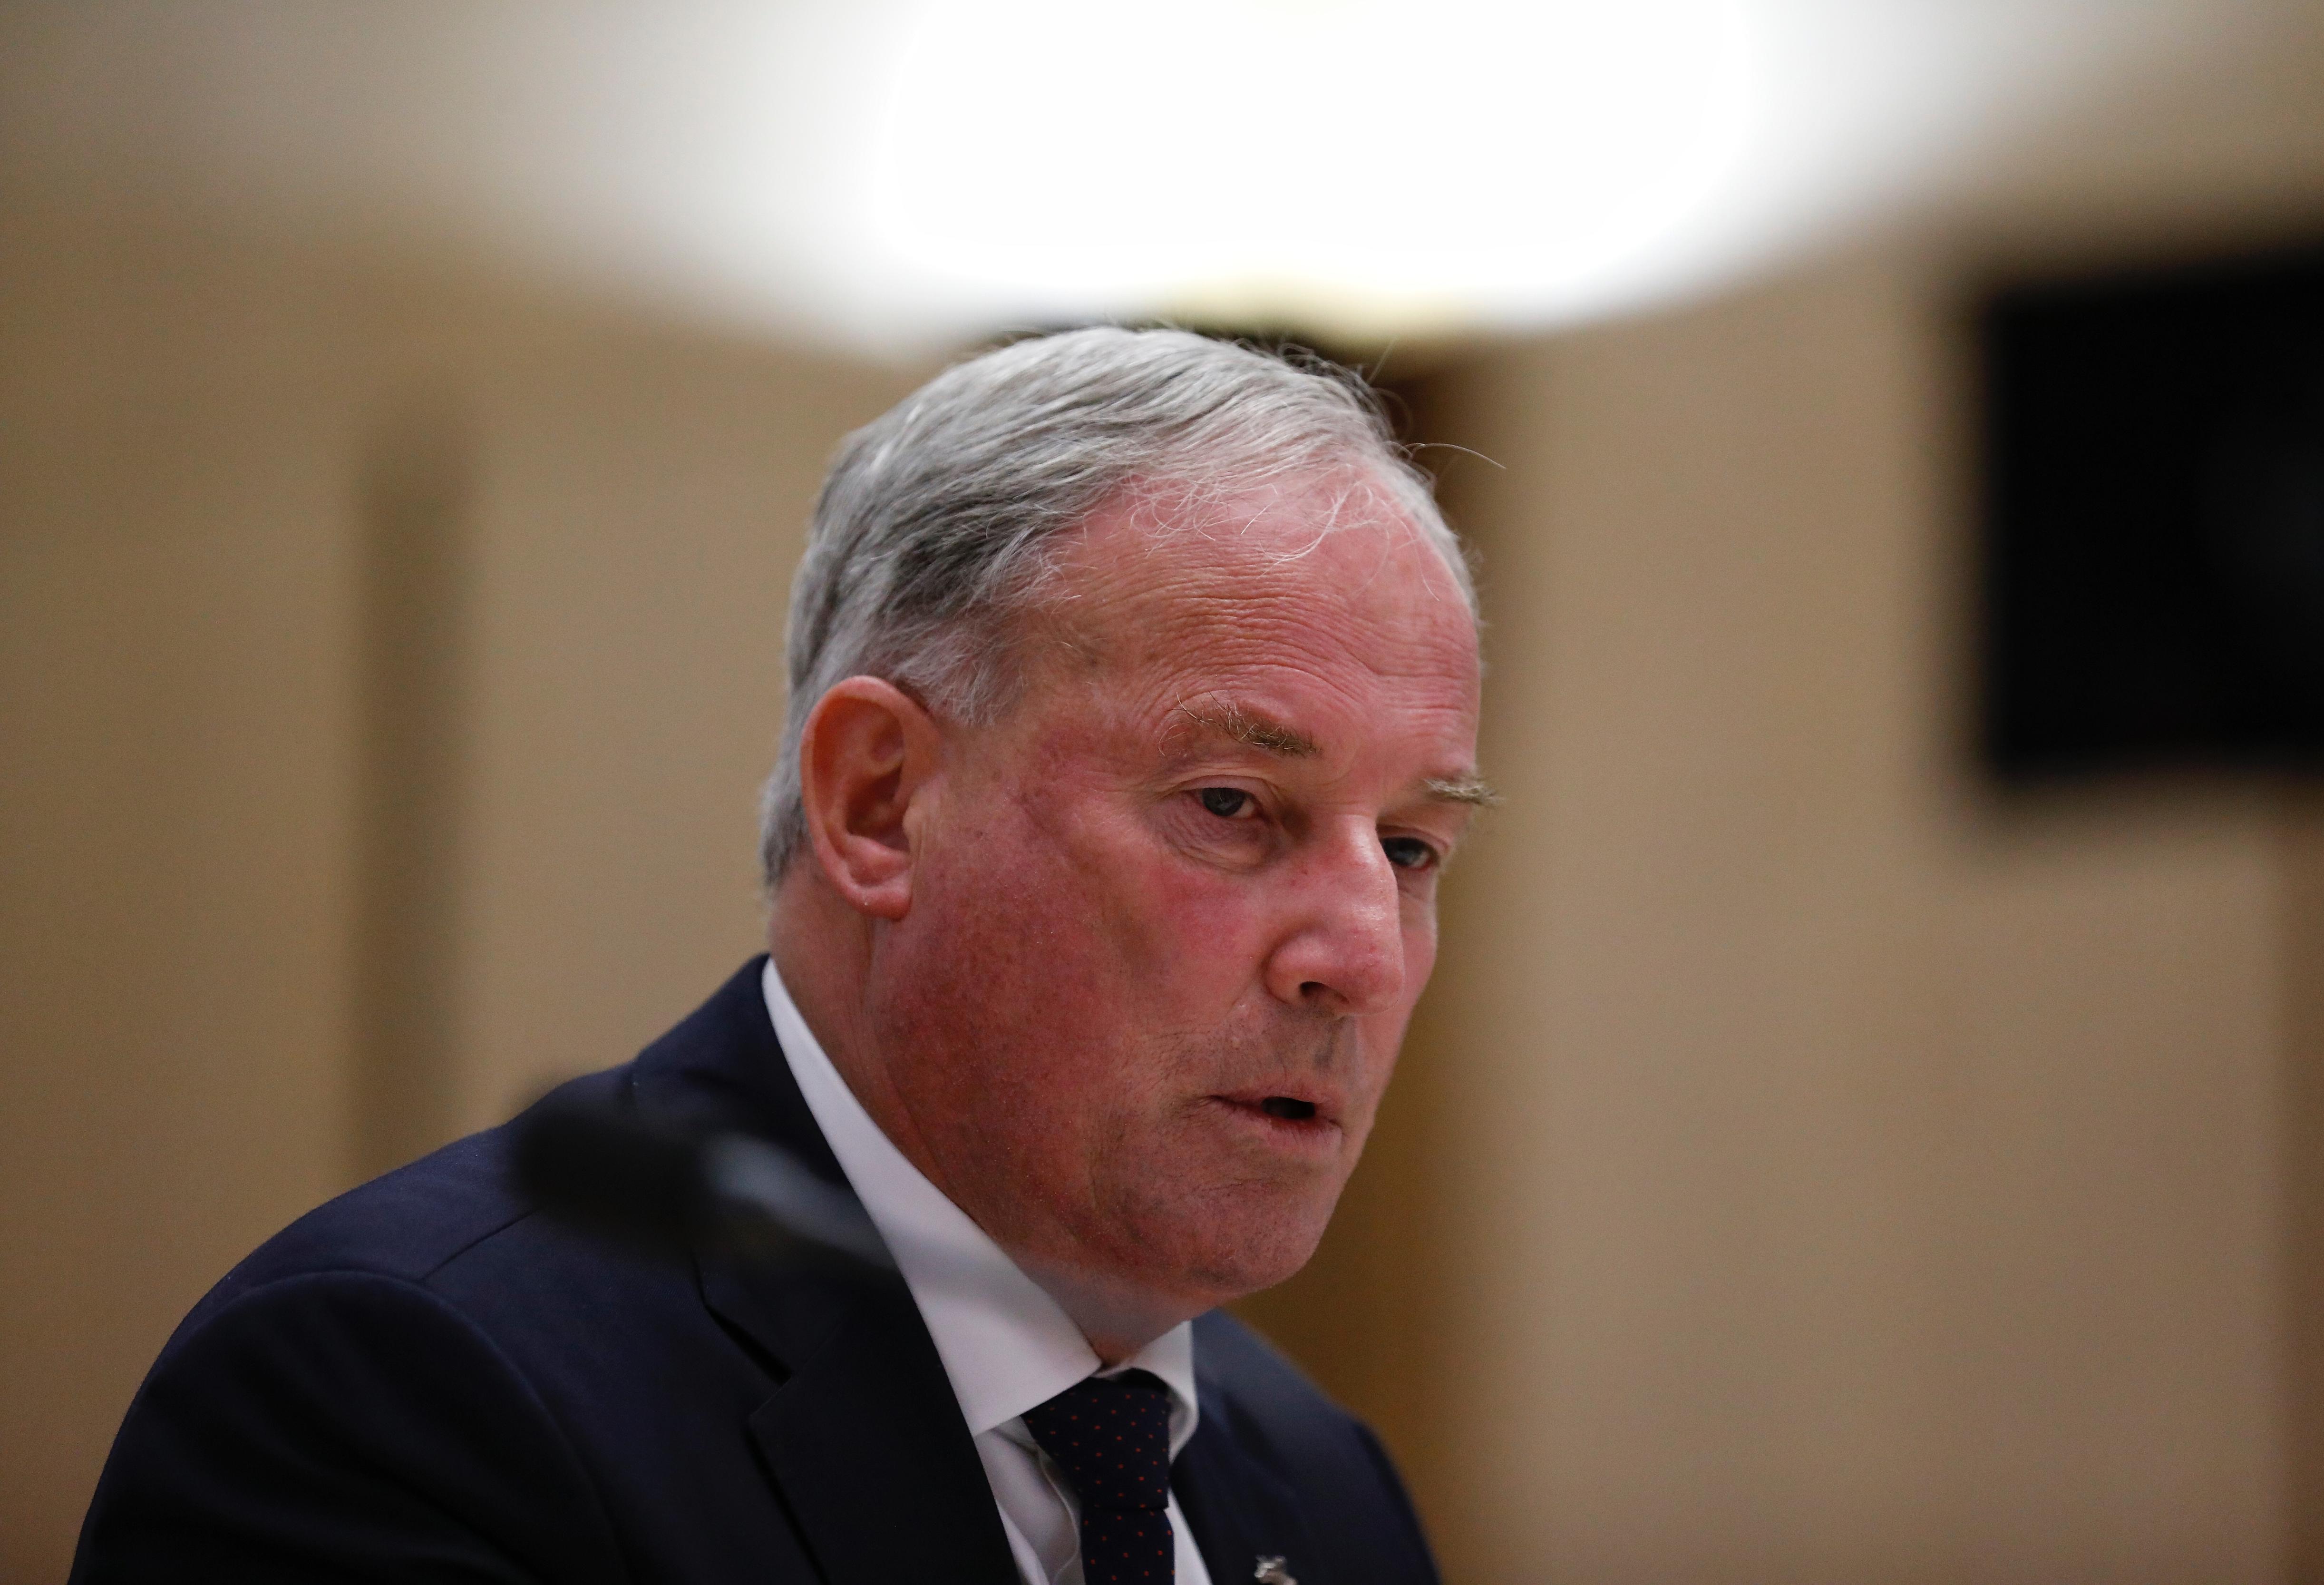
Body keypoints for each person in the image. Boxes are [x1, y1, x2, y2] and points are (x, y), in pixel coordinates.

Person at [71, 327, 1488, 1585]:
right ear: (880, 801)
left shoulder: (1329, 1486)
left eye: (1413, 847)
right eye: (1234, 807)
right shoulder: (404, 1400)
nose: (1361, 955)